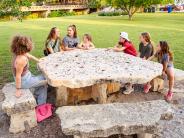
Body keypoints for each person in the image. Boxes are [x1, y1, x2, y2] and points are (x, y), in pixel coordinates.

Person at [11, 35, 47, 105]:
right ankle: (42, 106)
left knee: (42, 82)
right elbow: (18, 76)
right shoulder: (21, 59)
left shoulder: (20, 53)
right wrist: (18, 90)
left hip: (28, 77)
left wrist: (39, 60)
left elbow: (30, 56)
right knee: (46, 81)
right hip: (24, 82)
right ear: (26, 46)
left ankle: (38, 96)